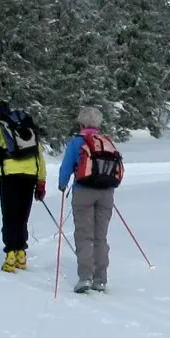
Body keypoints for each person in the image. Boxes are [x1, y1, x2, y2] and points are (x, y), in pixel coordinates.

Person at [0, 101, 45, 273]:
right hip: (30, 174)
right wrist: (41, 180)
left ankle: (11, 253)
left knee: (9, 214)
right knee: (22, 215)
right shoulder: (26, 125)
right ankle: (21, 253)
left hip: (9, 175)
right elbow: (39, 154)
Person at [59, 106, 123, 293]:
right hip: (106, 193)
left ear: (81, 123)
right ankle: (100, 279)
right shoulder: (106, 141)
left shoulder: (77, 142)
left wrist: (62, 184)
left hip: (83, 192)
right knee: (100, 236)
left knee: (84, 235)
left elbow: (66, 167)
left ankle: (85, 277)